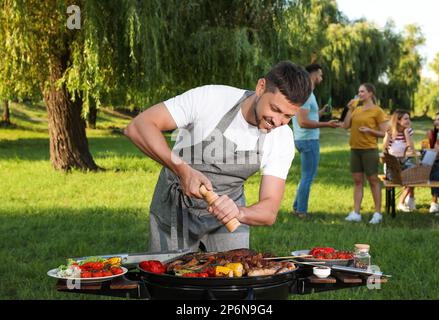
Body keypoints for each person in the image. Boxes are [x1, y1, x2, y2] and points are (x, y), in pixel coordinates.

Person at [124, 61, 312, 252]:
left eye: (288, 116)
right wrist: (182, 170)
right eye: (275, 109)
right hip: (175, 209)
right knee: (170, 278)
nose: (278, 121)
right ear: (260, 87)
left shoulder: (282, 137)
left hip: (228, 215)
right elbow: (139, 126)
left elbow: (269, 209)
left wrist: (239, 212)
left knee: (233, 277)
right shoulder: (212, 98)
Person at [291, 64, 340, 219]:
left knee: (306, 175)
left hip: (303, 139)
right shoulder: (305, 94)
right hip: (308, 140)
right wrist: (327, 124)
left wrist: (321, 112)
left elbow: (309, 115)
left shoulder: (306, 93)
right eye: (320, 74)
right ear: (312, 75)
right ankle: (302, 212)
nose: (321, 77)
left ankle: (297, 207)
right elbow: (303, 122)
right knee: (308, 176)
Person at [341, 83, 389, 224]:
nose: (359, 94)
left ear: (370, 93)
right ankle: (356, 213)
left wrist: (370, 131)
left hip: (369, 150)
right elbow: (345, 126)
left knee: (373, 181)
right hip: (355, 150)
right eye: (359, 91)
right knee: (357, 181)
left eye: (362, 91)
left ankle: (377, 213)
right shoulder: (356, 109)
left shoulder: (377, 111)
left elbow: (384, 132)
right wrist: (350, 108)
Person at [382, 109, 416, 212]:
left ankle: (402, 202)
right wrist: (388, 135)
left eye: (408, 118)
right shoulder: (390, 132)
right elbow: (384, 148)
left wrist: (406, 133)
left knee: (415, 175)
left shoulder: (409, 131)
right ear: (398, 120)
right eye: (405, 118)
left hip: (405, 161)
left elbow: (411, 149)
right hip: (392, 163)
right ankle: (409, 200)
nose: (408, 121)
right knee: (400, 178)